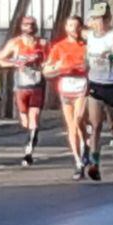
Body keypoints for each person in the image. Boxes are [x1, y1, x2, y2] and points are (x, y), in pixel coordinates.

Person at [83, 2, 113, 180]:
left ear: (109, 19)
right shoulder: (89, 36)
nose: (101, 22)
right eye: (97, 19)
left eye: (104, 18)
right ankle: (94, 163)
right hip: (96, 83)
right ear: (93, 20)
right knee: (95, 125)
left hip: (112, 84)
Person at [0, 16, 48, 166]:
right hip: (21, 86)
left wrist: (43, 65)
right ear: (22, 27)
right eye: (26, 25)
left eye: (32, 25)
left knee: (34, 118)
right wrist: (15, 62)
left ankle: (28, 151)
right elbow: (0, 59)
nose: (29, 27)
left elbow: (51, 60)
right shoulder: (15, 43)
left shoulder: (42, 43)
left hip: (37, 85)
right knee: (25, 120)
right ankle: (30, 136)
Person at [45, 16, 90, 179]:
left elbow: (92, 64)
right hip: (65, 86)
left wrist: (86, 67)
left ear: (80, 28)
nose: (73, 28)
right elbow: (47, 70)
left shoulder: (86, 46)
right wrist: (59, 69)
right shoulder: (59, 47)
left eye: (76, 26)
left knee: (79, 120)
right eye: (69, 25)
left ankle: (86, 144)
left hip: (81, 85)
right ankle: (78, 162)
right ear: (66, 28)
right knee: (71, 126)